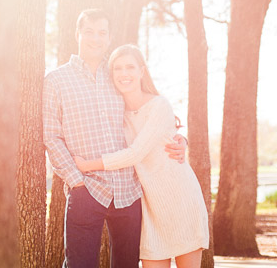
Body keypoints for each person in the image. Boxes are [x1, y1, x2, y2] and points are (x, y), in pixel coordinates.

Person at [43, 9, 186, 268]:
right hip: (86, 189)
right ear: (77, 34)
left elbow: (146, 114)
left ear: (109, 37)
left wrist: (179, 139)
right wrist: (76, 182)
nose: (95, 38)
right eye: (89, 32)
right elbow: (51, 137)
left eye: (102, 33)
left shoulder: (118, 76)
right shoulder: (56, 80)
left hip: (128, 192)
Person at [74, 44, 209, 268]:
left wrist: (89, 165)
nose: (124, 73)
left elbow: (135, 153)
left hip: (180, 199)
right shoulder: (117, 112)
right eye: (118, 68)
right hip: (149, 209)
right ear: (111, 74)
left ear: (141, 71)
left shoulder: (159, 105)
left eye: (130, 67)